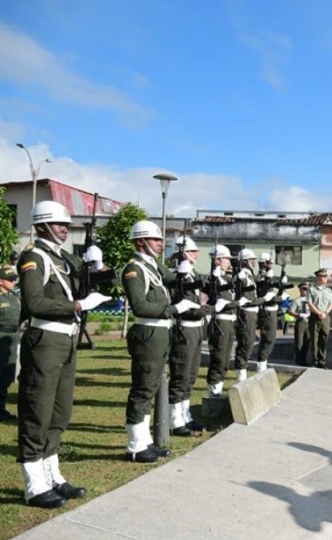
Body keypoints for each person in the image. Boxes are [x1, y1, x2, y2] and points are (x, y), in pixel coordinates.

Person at [17, 200, 110, 508]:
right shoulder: (34, 257)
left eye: (66, 225)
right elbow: (33, 303)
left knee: (60, 412)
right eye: (58, 224)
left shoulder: (63, 257)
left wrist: (97, 266)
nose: (63, 229)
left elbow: (96, 282)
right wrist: (78, 307)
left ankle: (52, 475)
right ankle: (34, 484)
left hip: (67, 341)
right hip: (45, 338)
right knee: (38, 409)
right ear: (41, 225)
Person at [122, 220, 200, 463]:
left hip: (161, 333)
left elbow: (176, 280)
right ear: (140, 242)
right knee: (143, 388)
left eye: (160, 240)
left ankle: (145, 441)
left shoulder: (154, 267)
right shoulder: (134, 269)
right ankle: (135, 445)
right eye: (155, 240)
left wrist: (185, 271)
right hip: (148, 333)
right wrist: (174, 309)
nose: (160, 244)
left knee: (152, 386)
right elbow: (141, 305)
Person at [167, 236, 211, 436]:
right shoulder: (178, 276)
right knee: (180, 374)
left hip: (196, 329)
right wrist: (206, 310)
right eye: (193, 251)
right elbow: (185, 307)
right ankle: (174, 419)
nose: (197, 255)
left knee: (191, 375)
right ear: (183, 252)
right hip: (184, 328)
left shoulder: (192, 275)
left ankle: (186, 415)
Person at [206, 245, 245, 397]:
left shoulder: (225, 278)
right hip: (220, 321)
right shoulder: (214, 279)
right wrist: (237, 303)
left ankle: (219, 387)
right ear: (217, 260)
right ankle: (213, 389)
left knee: (226, 356)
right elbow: (217, 300)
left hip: (230, 321)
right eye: (226, 259)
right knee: (219, 356)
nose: (229, 262)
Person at [233, 249, 273, 382]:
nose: (254, 262)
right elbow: (249, 299)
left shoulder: (249, 275)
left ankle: (243, 374)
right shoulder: (242, 276)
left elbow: (256, 281)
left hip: (252, 313)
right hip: (246, 313)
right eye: (252, 260)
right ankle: (241, 377)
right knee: (246, 344)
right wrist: (265, 299)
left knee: (249, 344)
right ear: (244, 261)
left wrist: (265, 273)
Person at [254, 252, 282, 374]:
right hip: (266, 312)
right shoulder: (260, 278)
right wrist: (275, 298)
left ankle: (262, 363)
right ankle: (261, 365)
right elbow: (264, 295)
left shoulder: (269, 277)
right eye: (268, 263)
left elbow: (275, 295)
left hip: (272, 311)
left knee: (269, 339)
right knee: (268, 339)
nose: (270, 265)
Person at [0, 264, 21, 422]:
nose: (14, 282)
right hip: (1, 336)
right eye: (10, 279)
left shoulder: (14, 296)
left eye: (14, 279)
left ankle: (1, 409)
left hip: (13, 337)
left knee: (7, 374)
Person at [307, 268, 332, 368]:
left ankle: (322, 361)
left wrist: (325, 313)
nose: (325, 278)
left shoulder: (329, 290)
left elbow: (331, 304)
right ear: (318, 277)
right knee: (314, 340)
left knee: (324, 339)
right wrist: (319, 313)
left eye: (326, 276)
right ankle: (314, 360)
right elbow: (310, 304)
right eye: (323, 276)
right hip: (315, 316)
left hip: (325, 317)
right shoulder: (311, 289)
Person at [292, 283, 311, 365]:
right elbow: (290, 311)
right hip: (301, 321)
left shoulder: (310, 300)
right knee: (299, 342)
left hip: (309, 321)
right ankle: (298, 360)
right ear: (300, 289)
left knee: (307, 342)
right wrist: (298, 315)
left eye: (307, 289)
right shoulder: (297, 300)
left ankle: (304, 360)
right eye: (304, 289)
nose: (305, 291)